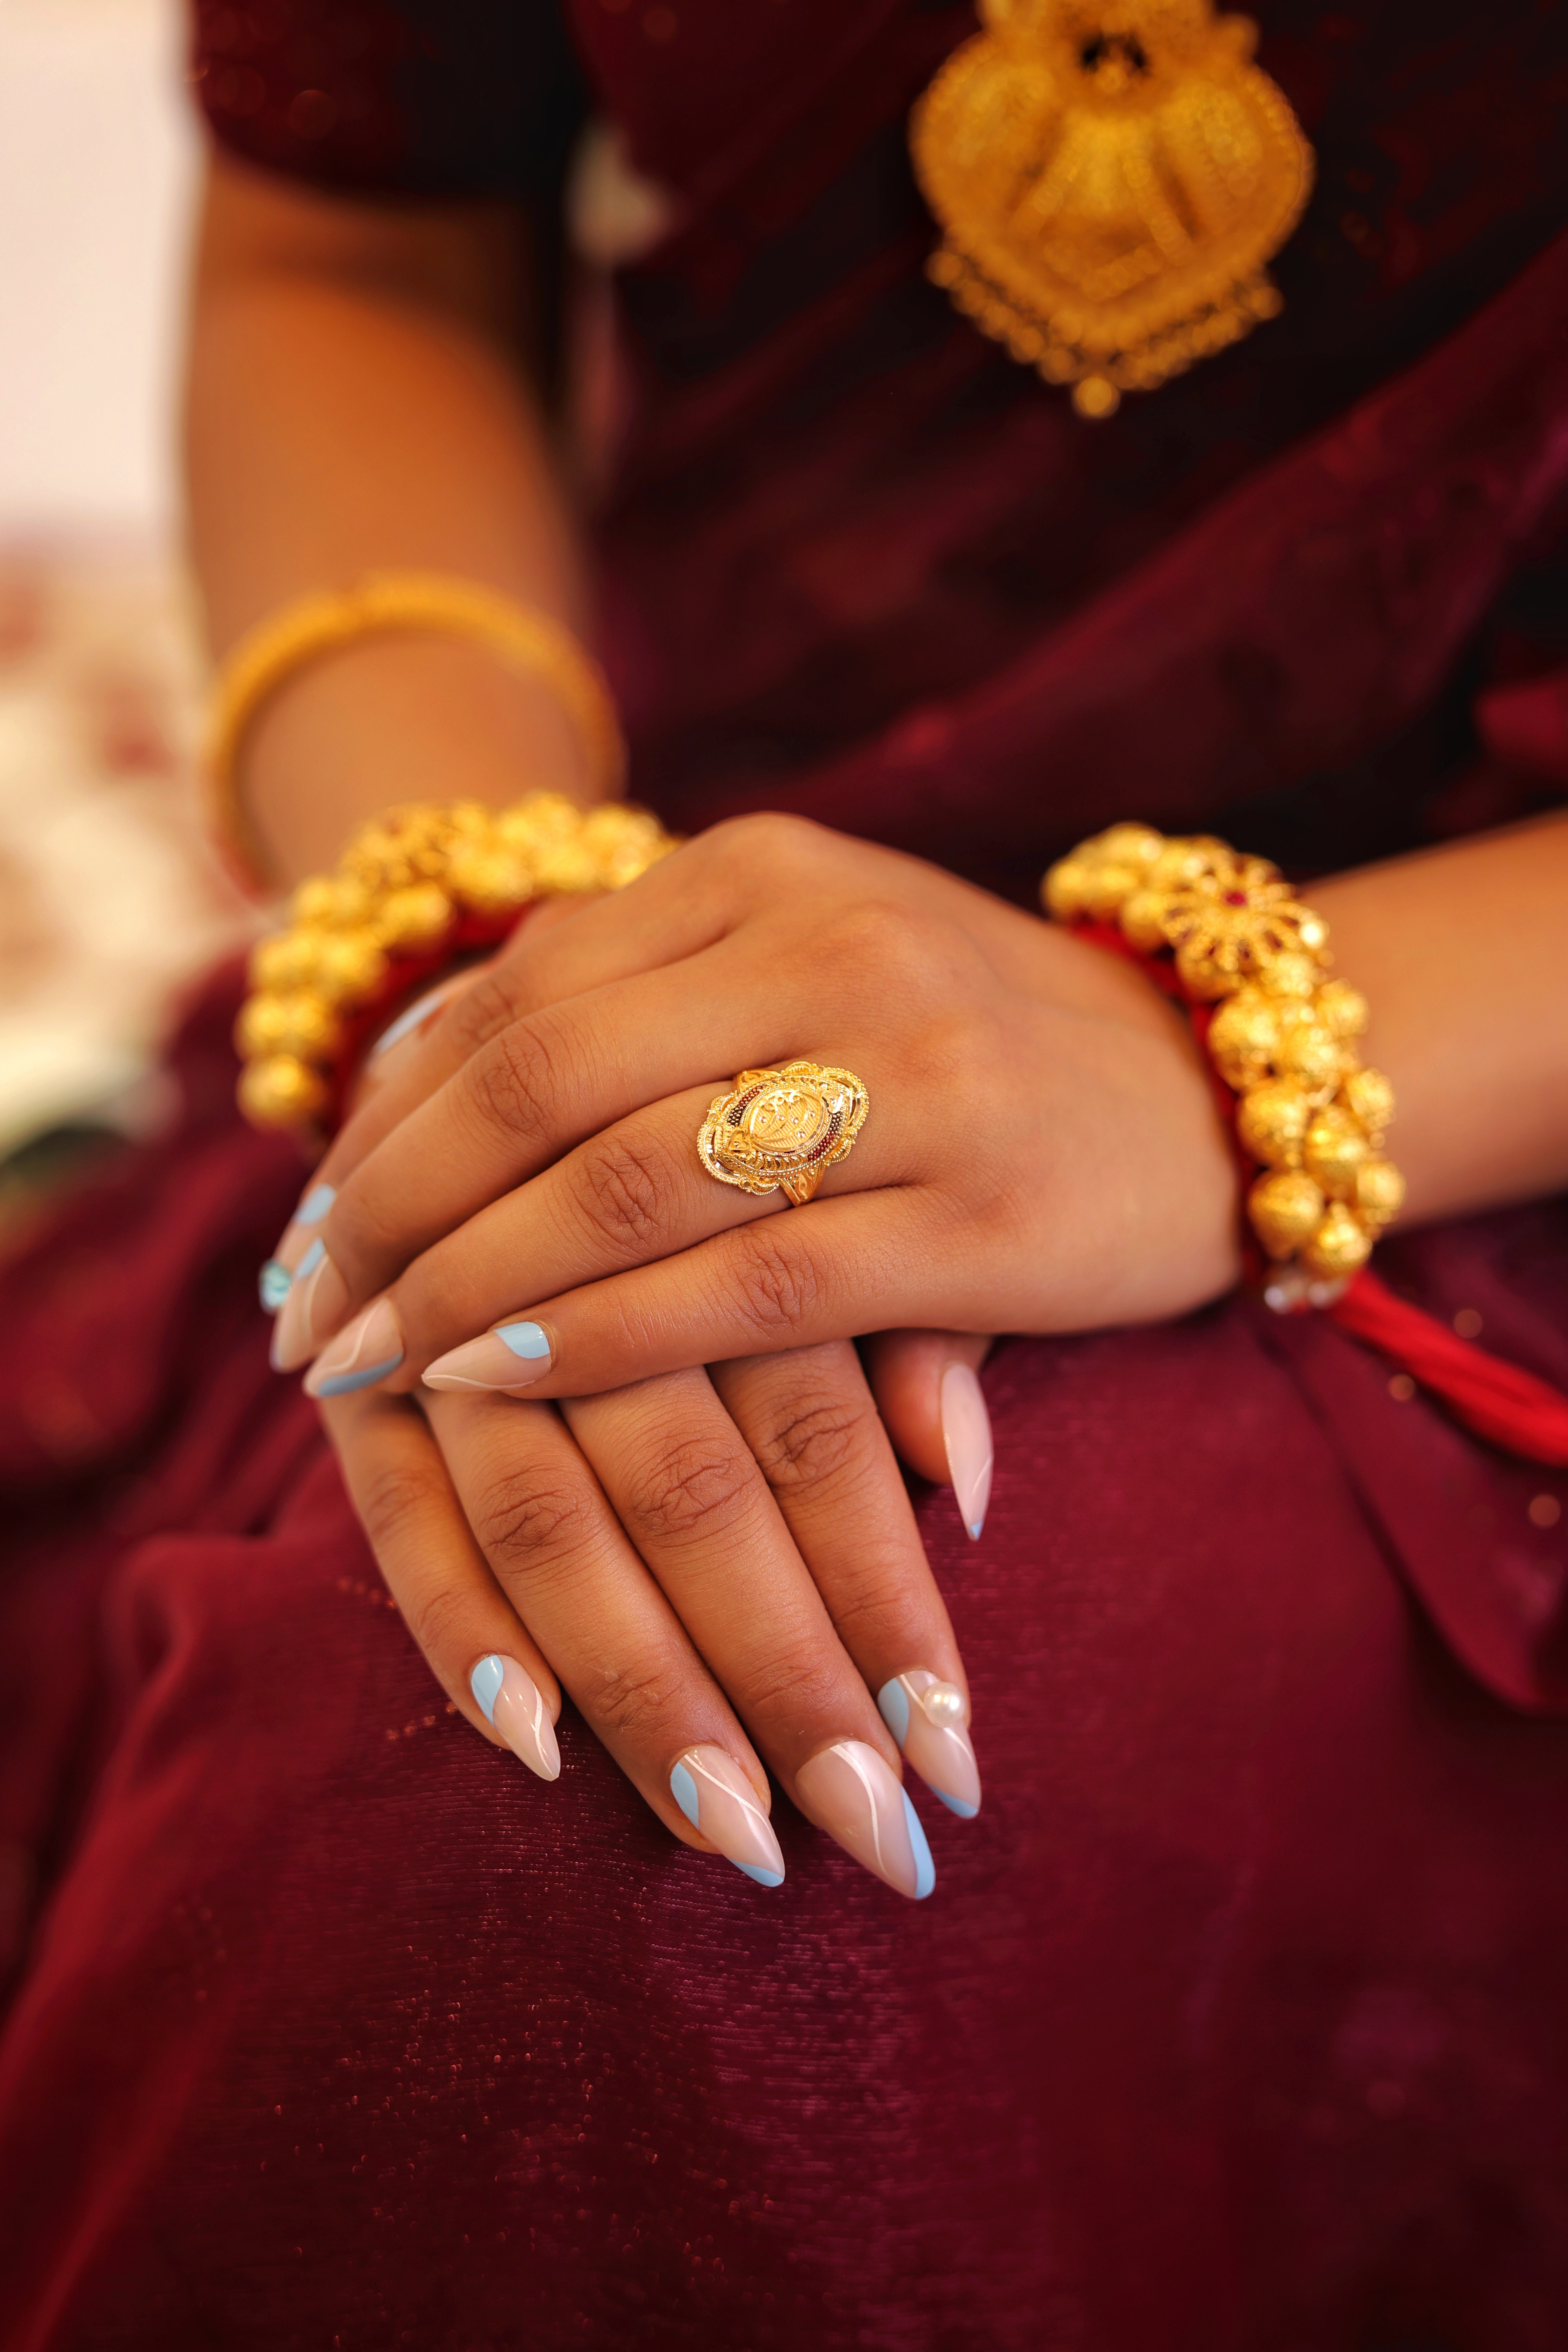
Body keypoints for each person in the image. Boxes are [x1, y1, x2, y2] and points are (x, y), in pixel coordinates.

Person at [2, 1, 1567, 2341]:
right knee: (483, 1709)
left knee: (666, 1875)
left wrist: (1227, 1054)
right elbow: (362, 233)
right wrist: (496, 974)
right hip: (644, 892)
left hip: (1500, 1066)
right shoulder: (556, 963)